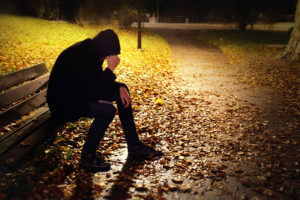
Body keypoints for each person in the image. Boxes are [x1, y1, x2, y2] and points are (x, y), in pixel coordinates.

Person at [46, 29, 163, 172]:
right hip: (63, 103)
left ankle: (134, 145)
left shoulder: (92, 52)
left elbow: (95, 83)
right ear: (105, 49)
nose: (109, 58)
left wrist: (119, 86)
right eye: (110, 54)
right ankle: (87, 155)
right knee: (108, 111)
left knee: (121, 91)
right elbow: (94, 91)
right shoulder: (81, 55)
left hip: (77, 95)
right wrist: (110, 69)